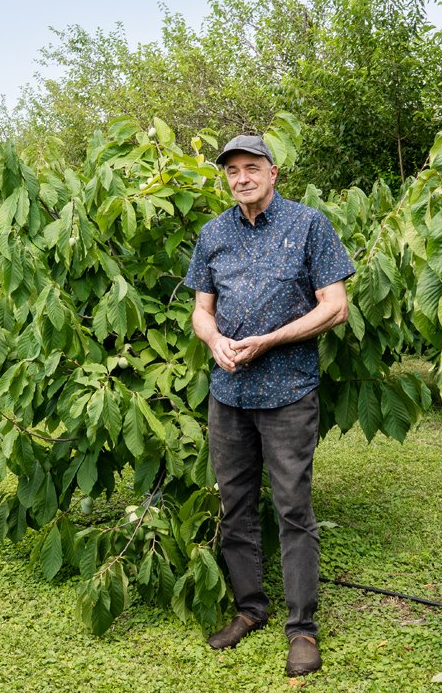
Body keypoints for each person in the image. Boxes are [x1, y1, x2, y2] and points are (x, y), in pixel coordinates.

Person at [183, 134, 354, 677]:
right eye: (232, 170)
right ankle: (249, 609)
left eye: (251, 167)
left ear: (273, 172)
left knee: (292, 509)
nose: (241, 177)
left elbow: (336, 307)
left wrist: (269, 340)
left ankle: (302, 628)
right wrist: (214, 341)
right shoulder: (213, 234)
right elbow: (201, 311)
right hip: (228, 395)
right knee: (235, 506)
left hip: (287, 393)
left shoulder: (309, 225)